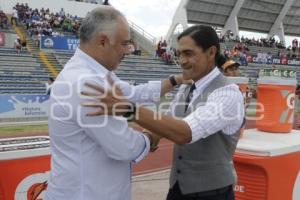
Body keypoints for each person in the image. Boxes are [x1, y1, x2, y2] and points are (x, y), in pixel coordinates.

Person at [82, 25, 245, 200]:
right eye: (179, 54)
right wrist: (150, 137)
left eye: (188, 53)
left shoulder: (228, 93)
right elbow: (168, 118)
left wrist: (127, 109)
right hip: (178, 189)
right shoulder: (187, 86)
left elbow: (185, 133)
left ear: (211, 52)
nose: (181, 61)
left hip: (213, 194)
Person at [45, 6, 187, 200]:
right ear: (103, 41)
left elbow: (135, 93)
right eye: (124, 44)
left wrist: (175, 80)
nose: (128, 50)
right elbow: (124, 146)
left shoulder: (93, 74)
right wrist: (152, 137)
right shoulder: (87, 82)